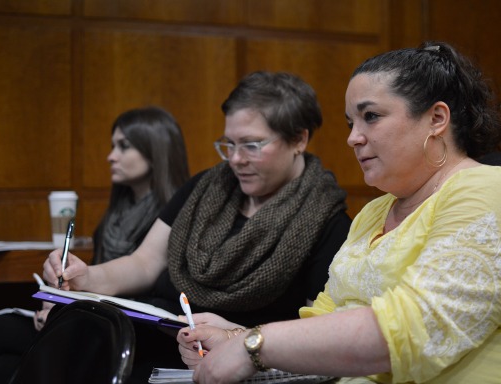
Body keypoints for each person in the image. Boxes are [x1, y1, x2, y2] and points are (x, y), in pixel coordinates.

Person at [178, 41, 501, 384]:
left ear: (436, 119)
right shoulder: (374, 212)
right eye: (351, 122)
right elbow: (323, 321)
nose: (352, 138)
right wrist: (235, 338)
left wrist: (254, 345)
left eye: (371, 117)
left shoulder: (484, 189)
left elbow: (418, 327)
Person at [42, 71, 352, 380]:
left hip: (223, 365)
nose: (235, 159)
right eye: (229, 144)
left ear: (299, 139)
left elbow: (314, 336)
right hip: (151, 339)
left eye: (251, 145)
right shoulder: (205, 187)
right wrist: (88, 276)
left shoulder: (326, 222)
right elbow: (144, 262)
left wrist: (235, 336)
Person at [0, 105, 190, 383]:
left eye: (124, 146)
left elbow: (147, 288)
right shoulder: (116, 213)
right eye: (112, 146)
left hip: (129, 328)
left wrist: (64, 312)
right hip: (91, 312)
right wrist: (57, 302)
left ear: (154, 151)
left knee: (0, 332)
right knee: (3, 359)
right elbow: (93, 276)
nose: (110, 157)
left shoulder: (173, 215)